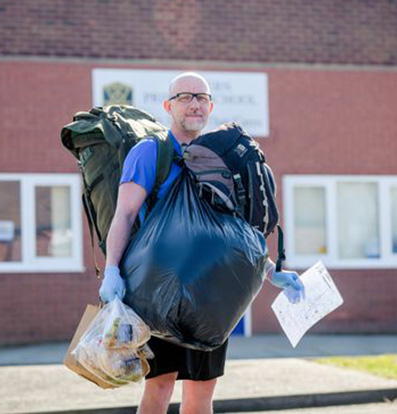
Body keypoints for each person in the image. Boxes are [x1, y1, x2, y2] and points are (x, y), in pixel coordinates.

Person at [98, 72, 305, 414]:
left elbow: (231, 238)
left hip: (211, 297)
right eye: (185, 97)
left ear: (211, 106)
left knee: (202, 394)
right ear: (168, 106)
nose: (194, 103)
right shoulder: (151, 152)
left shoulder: (219, 160)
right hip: (159, 293)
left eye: (202, 97)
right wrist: (111, 272)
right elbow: (124, 214)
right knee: (159, 388)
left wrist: (272, 272)